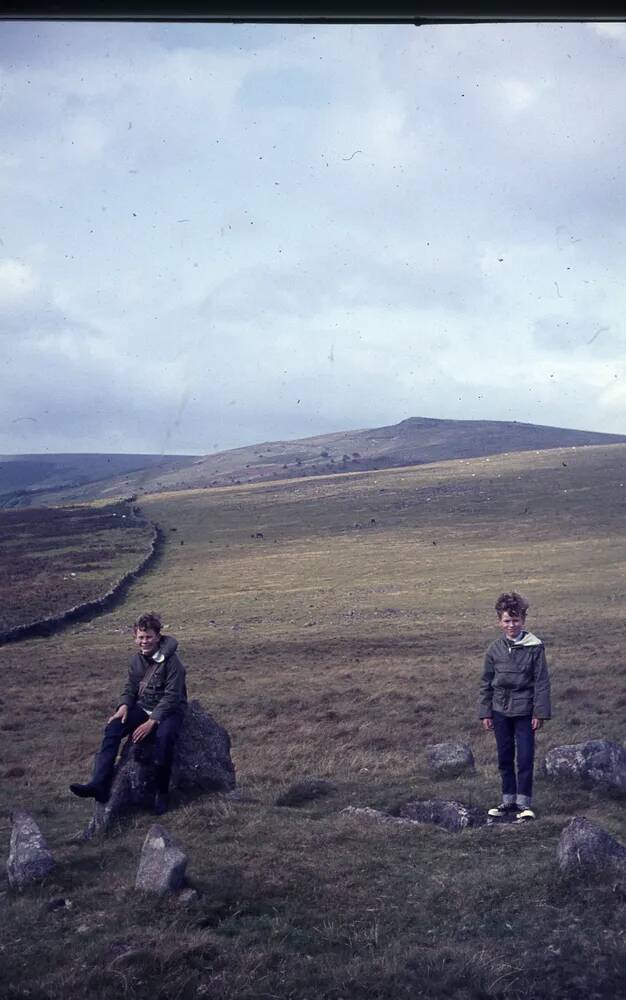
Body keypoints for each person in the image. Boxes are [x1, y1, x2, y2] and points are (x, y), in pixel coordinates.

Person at [70, 612, 187, 816]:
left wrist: (152, 721)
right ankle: (99, 784)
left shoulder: (173, 662)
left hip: (170, 710)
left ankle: (162, 793)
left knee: (164, 739)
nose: (144, 641)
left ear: (158, 636)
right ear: (135, 638)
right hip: (143, 706)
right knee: (113, 728)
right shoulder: (136, 660)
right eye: (141, 637)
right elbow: (131, 687)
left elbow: (173, 696)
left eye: (148, 636)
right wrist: (123, 705)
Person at [479, 591, 551, 822]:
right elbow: (486, 682)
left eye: (516, 620)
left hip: (525, 712)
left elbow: (541, 682)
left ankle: (524, 804)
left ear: (523, 620)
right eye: (507, 621)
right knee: (505, 757)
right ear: (499, 621)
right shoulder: (494, 649)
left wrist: (539, 712)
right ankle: (508, 801)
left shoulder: (535, 647)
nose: (511, 625)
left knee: (526, 757)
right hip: (500, 711)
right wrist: (486, 712)